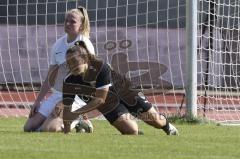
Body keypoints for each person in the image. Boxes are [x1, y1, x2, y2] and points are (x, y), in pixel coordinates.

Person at [62, 41, 179, 135]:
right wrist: (67, 132)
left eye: (75, 61)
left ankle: (167, 126)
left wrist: (76, 113)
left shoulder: (100, 67)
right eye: (69, 63)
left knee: (156, 121)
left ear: (85, 59)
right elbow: (67, 109)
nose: (72, 66)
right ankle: (137, 134)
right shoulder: (69, 81)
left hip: (126, 92)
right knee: (131, 131)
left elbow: (99, 99)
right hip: (108, 103)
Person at [23, 6, 94, 133]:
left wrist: (67, 102)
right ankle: (65, 121)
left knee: (51, 128)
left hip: (77, 96)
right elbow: (51, 77)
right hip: (58, 94)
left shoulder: (85, 44)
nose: (68, 23)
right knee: (28, 127)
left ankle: (79, 120)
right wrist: (38, 101)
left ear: (82, 25)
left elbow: (90, 78)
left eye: (72, 21)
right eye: (66, 20)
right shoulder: (58, 45)